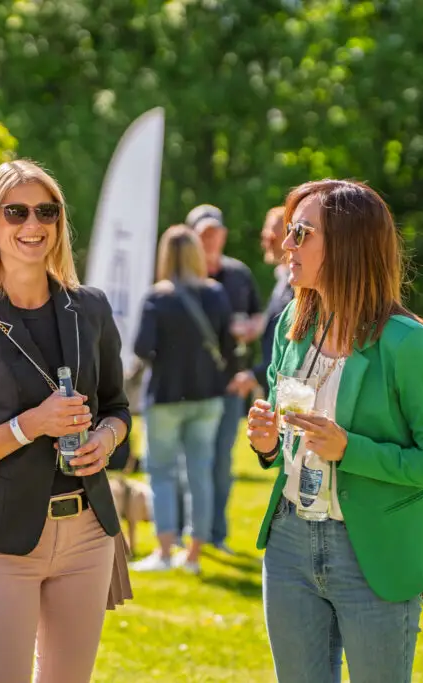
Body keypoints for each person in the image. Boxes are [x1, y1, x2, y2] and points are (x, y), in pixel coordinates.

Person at [246, 180, 423, 683]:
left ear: (347, 243)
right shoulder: (292, 323)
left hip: (372, 552)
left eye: (301, 232)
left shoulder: (406, 344)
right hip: (289, 542)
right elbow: (285, 436)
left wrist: (350, 450)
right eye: (289, 231)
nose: (286, 244)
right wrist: (268, 444)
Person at [0, 159, 132, 683]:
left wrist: (106, 439)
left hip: (88, 533)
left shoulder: (90, 309)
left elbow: (117, 408)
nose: (33, 224)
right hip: (1, 541)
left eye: (47, 211)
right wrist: (31, 425)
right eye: (15, 212)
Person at [128, 225, 234, 575]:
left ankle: (163, 551)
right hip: (208, 395)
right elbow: (229, 346)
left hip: (166, 396)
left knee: (161, 472)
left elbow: (141, 348)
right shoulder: (216, 294)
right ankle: (193, 555)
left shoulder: (157, 298)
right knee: (199, 472)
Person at [185, 203, 262, 553]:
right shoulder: (183, 278)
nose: (210, 240)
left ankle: (216, 534)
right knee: (189, 461)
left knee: (221, 462)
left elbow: (261, 315)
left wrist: (251, 329)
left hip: (231, 382)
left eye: (215, 233)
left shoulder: (239, 274)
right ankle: (188, 531)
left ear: (224, 236)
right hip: (192, 386)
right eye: (203, 234)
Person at [227, 206, 295, 399]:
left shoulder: (297, 286)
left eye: (273, 234)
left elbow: (291, 344)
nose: (266, 241)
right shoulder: (282, 280)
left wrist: (255, 375)